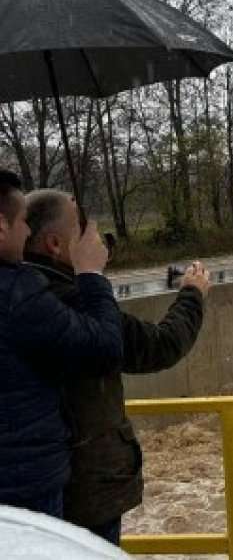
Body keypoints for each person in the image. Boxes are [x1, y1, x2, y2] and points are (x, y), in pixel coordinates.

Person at [24, 189, 211, 545]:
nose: (96, 238)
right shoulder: (76, 304)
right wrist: (192, 294)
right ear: (55, 244)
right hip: (87, 491)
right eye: (84, 230)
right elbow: (160, 346)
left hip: (31, 496)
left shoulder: (17, 296)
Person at [0, 169, 123, 519]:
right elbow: (105, 351)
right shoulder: (18, 294)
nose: (27, 230)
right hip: (23, 489)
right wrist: (91, 275)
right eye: (22, 221)